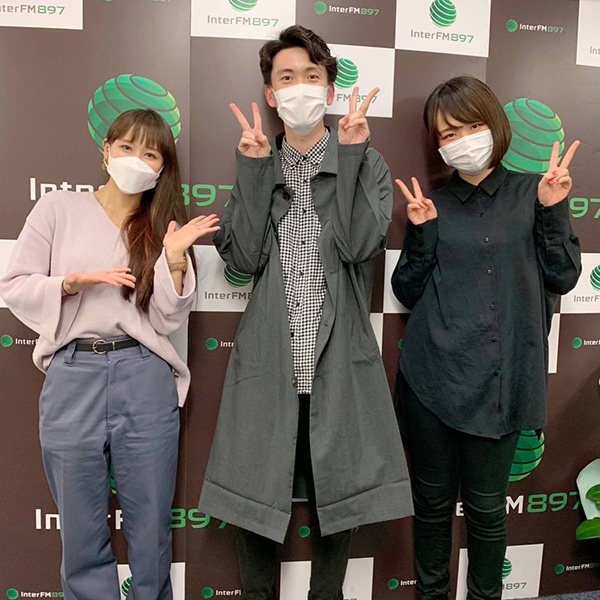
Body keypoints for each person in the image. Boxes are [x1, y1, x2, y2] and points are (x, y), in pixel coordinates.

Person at [198, 25, 413, 600]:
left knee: (336, 495)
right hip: (270, 357)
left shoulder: (366, 160)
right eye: (286, 78)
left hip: (336, 357)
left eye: (311, 76)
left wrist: (351, 154)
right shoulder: (259, 159)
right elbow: (242, 257)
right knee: (254, 492)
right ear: (271, 94)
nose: (299, 87)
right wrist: (251, 172)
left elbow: (359, 245)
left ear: (329, 88)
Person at [0, 108, 219, 600]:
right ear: (105, 150)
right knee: (80, 531)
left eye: (151, 154)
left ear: (162, 168)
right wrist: (70, 283)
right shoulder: (58, 208)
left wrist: (175, 260)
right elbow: (14, 285)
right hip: (72, 373)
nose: (136, 160)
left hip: (144, 374)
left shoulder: (163, 225)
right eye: (126, 147)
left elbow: (165, 319)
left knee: (151, 527)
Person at [392, 75, 582, 600]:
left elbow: (564, 277)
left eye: (471, 126)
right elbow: (406, 290)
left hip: (501, 385)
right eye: (448, 133)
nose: (462, 140)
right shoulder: (433, 203)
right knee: (431, 508)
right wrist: (421, 233)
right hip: (431, 381)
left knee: (486, 510)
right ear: (438, 144)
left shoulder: (535, 191)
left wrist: (553, 209)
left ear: (495, 126)